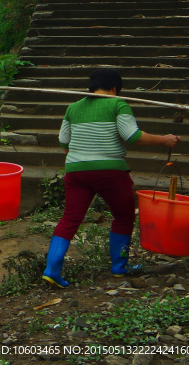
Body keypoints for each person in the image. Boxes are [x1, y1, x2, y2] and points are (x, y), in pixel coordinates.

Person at [42, 68, 180, 288]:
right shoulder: (118, 104)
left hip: (76, 171)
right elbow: (132, 136)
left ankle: (52, 270)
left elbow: (63, 141)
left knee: (69, 219)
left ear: (92, 87)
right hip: (111, 172)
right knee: (124, 217)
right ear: (115, 88)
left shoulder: (73, 108)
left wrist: (81, 158)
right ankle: (118, 267)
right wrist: (164, 140)